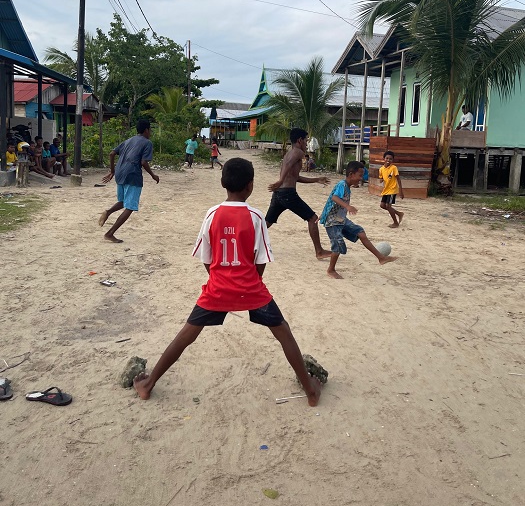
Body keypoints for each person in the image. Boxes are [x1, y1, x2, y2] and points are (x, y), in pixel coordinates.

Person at [133, 157, 322, 407]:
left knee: (187, 334)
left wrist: (219, 280)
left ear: (223, 183)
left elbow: (206, 257)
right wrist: (250, 285)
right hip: (252, 289)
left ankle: (148, 384)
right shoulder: (256, 216)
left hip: (218, 289)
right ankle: (310, 391)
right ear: (250, 185)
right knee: (283, 332)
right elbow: (261, 260)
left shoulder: (212, 214)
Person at [320, 161, 397, 279]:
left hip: (341, 219)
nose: (361, 178)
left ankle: (381, 258)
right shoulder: (342, 184)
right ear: (351, 174)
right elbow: (334, 197)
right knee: (338, 245)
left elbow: (330, 200)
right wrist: (347, 206)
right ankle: (331, 270)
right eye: (360, 175)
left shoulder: (347, 187)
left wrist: (323, 213)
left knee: (360, 232)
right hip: (332, 222)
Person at [265, 128, 331, 260]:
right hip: (287, 194)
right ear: (300, 140)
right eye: (306, 140)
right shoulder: (298, 152)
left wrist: (316, 180)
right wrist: (280, 180)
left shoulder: (290, 153)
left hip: (279, 193)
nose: (306, 143)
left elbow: (295, 177)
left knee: (267, 222)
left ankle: (243, 242)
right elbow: (288, 166)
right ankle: (319, 251)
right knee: (312, 218)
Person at [98, 119, 159, 243]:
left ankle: (108, 212)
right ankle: (110, 233)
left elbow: (112, 154)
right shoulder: (147, 143)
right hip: (132, 174)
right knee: (130, 207)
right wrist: (153, 175)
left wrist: (112, 171)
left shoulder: (128, 140)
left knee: (123, 201)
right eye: (150, 130)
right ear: (146, 130)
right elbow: (143, 162)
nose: (150, 133)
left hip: (120, 172)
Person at [379, 150, 404, 228]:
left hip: (392, 189)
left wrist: (401, 191)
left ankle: (396, 223)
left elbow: (398, 179)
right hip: (386, 190)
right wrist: (381, 179)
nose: (388, 160)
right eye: (387, 158)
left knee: (388, 206)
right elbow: (381, 178)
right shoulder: (381, 169)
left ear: (392, 160)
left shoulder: (394, 168)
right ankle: (399, 213)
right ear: (384, 159)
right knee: (382, 205)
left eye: (390, 159)